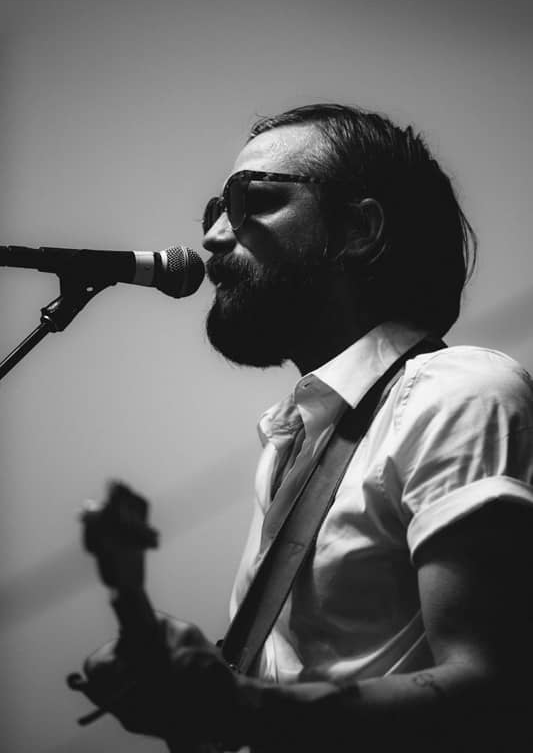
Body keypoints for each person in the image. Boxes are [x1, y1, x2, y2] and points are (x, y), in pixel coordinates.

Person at [77, 104, 533, 751]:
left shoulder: (456, 392)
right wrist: (186, 682)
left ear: (358, 230)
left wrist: (238, 704)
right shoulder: (294, 439)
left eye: (253, 200)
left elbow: (496, 692)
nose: (214, 237)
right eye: (213, 210)